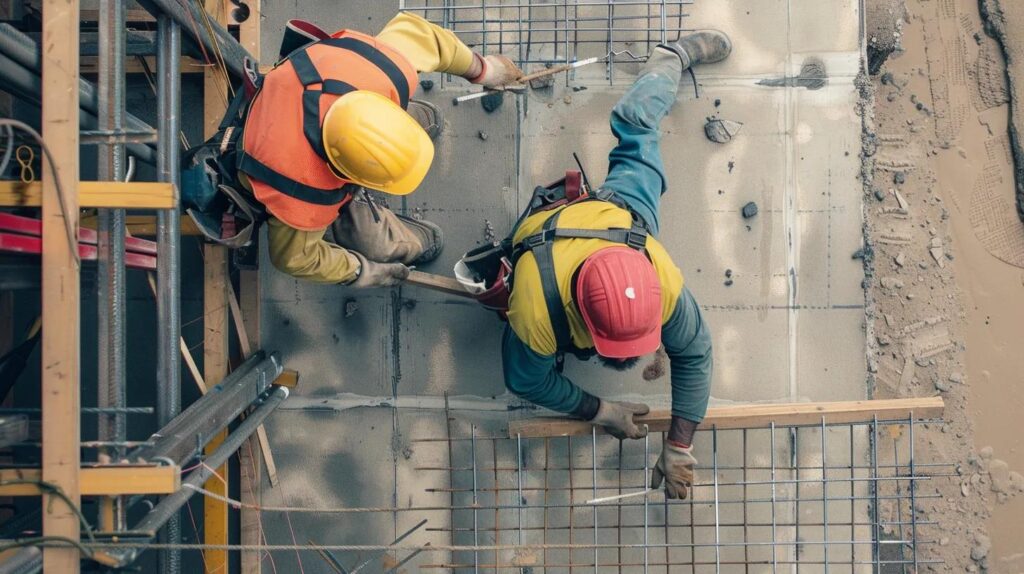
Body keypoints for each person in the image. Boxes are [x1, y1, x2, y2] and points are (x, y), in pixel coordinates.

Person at [498, 32, 731, 499]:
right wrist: (598, 409)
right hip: (549, 236)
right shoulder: (535, 307)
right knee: (521, 334)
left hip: (623, 220)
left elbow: (695, 353)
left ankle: (671, 59)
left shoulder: (659, 281)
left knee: (637, 125)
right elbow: (526, 379)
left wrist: (680, 445)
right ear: (580, 315)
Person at [190, 12, 523, 287]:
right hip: (273, 153)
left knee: (395, 97)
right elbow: (294, 258)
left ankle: (411, 123)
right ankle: (404, 243)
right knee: (370, 241)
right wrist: (363, 271)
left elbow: (425, 38)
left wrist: (485, 70)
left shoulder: (377, 70)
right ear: (347, 176)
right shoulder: (302, 197)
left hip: (310, 98)